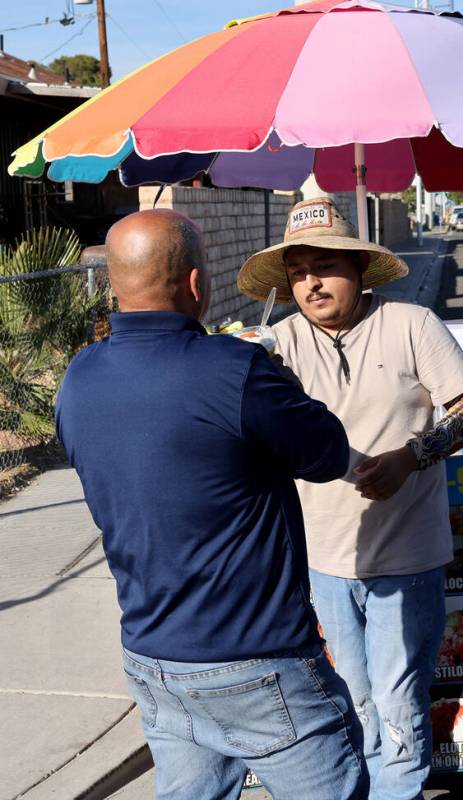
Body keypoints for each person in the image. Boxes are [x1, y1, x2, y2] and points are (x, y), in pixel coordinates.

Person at [56, 210, 368, 800]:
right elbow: (326, 454)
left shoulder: (79, 378)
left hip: (153, 657)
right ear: (196, 284)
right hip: (257, 658)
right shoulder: (237, 369)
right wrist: (280, 381)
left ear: (114, 286)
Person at [237, 198, 463, 800]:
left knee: (398, 698)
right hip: (324, 560)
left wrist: (411, 458)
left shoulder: (412, 325)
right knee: (352, 696)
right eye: (297, 272)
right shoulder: (278, 345)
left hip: (407, 557)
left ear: (357, 267)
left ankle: (397, 790)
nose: (310, 283)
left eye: (324, 266)